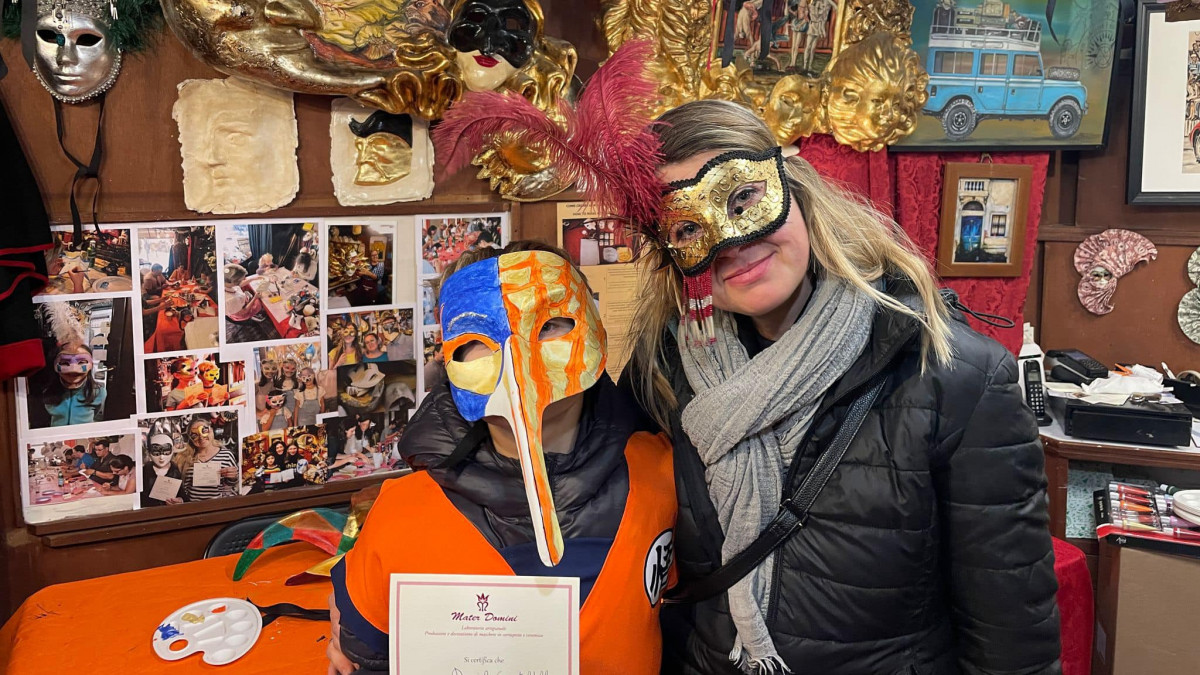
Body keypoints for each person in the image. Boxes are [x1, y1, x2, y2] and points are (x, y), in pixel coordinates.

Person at [622, 100, 1060, 673]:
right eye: (687, 228)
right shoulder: (663, 374)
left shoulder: (956, 378)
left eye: (744, 198)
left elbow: (1011, 633)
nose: (729, 242)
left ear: (794, 190)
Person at [327, 242, 676, 674]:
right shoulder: (402, 514)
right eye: (477, 339)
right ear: (447, 358)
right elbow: (368, 654)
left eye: (550, 323)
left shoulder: (660, 473)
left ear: (595, 326)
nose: (518, 361)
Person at [37, 343, 107, 426]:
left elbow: (96, 414)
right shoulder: (47, 392)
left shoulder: (98, 392)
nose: (73, 369)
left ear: (91, 364)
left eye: (82, 362)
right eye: (64, 363)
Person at [181, 418, 238, 501]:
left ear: (211, 430)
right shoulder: (187, 458)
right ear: (190, 438)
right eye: (194, 435)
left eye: (204, 430)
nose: (201, 437)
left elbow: (233, 485)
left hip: (219, 504)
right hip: (194, 506)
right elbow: (184, 489)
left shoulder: (226, 455)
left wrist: (232, 477)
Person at [142, 433, 185, 507]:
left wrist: (180, 500)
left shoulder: (176, 470)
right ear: (149, 452)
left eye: (166, 452)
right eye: (156, 453)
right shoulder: (144, 471)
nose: (161, 457)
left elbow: (183, 493)